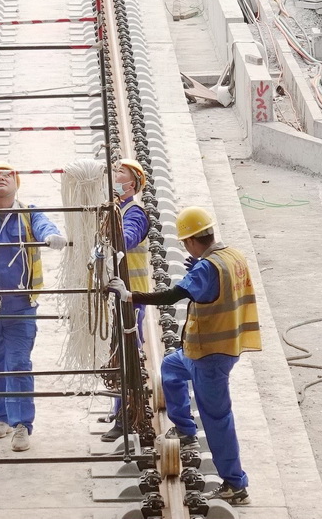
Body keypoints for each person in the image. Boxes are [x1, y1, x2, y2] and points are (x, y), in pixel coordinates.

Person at [128, 205, 260, 508]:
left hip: (210, 355)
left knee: (217, 419)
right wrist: (199, 271)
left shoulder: (207, 267)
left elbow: (173, 295)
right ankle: (186, 430)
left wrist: (130, 295)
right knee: (171, 368)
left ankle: (236, 485)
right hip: (207, 349)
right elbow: (215, 288)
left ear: (189, 241)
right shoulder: (231, 256)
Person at [0, 163, 66, 452]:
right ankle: (2, 417)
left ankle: (22, 425)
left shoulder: (28, 213)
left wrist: (50, 235)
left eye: (6, 174)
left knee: (18, 362)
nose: (0, 178)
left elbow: (44, 225)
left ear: (16, 182)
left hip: (20, 305)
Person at [101, 158, 151, 442]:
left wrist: (108, 222)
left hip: (131, 297)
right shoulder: (117, 209)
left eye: (121, 172)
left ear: (132, 183)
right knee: (116, 354)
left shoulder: (134, 213)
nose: (115, 175)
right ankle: (119, 408)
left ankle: (125, 418)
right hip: (118, 295)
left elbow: (126, 239)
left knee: (127, 355)